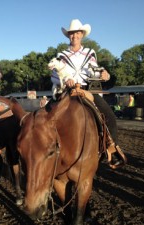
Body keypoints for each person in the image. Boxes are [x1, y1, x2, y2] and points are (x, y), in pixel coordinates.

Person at [52, 19, 125, 168]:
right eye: (72, 33)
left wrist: (104, 74)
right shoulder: (61, 55)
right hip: (68, 90)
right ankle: (45, 148)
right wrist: (66, 79)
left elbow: (94, 71)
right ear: (68, 36)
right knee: (47, 115)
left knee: (109, 116)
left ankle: (112, 149)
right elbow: (54, 73)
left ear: (82, 35)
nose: (75, 36)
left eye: (77, 33)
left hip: (87, 90)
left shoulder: (90, 53)